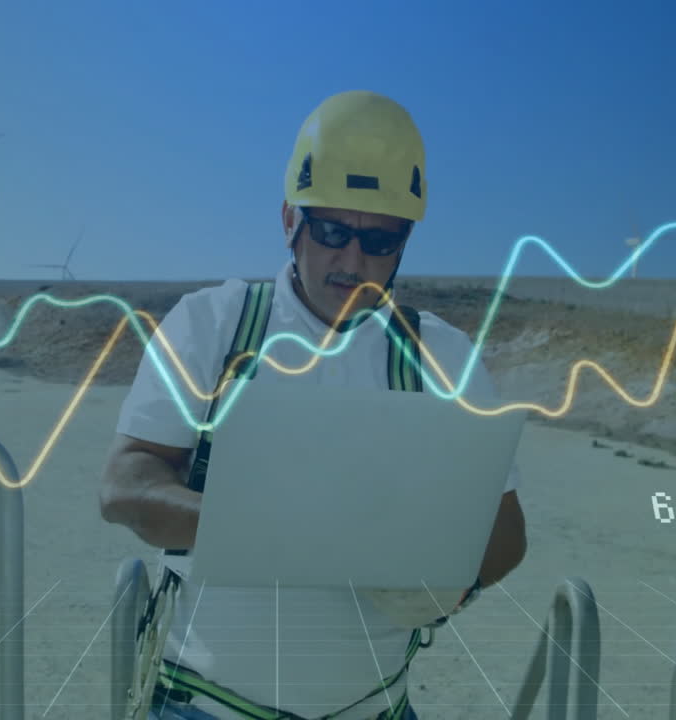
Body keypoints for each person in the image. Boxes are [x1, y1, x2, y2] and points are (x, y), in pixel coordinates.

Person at [99, 90, 527, 720]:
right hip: (205, 706)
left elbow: (507, 532)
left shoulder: (442, 355)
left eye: (381, 240)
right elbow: (124, 485)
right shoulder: (213, 326)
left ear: (406, 242)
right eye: (332, 230)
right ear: (288, 220)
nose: (353, 259)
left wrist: (454, 582)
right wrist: (260, 523)